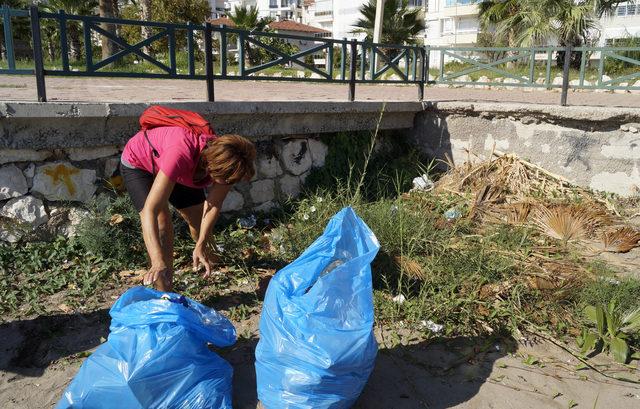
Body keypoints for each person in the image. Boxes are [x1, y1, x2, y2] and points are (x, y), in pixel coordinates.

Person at [120, 108, 256, 292]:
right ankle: (165, 292)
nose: (227, 184)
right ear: (212, 167)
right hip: (140, 163)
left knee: (198, 218)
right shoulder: (180, 153)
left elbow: (213, 204)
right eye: (226, 180)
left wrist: (201, 243)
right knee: (162, 223)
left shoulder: (229, 163)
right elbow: (149, 211)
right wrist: (157, 259)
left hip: (184, 168)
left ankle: (209, 259)